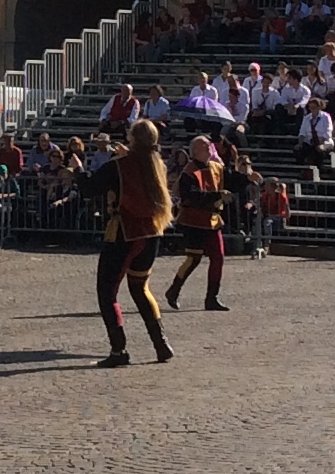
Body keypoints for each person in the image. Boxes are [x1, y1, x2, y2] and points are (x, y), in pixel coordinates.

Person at [89, 119, 175, 368]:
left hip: (124, 233)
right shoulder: (156, 164)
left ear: (133, 139)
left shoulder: (119, 166)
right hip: (151, 232)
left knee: (107, 292)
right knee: (140, 288)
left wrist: (77, 169)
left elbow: (90, 187)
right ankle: (161, 343)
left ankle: (119, 349)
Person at [163, 135, 230, 313]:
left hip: (212, 220)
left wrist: (246, 177)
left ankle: (212, 297)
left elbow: (229, 182)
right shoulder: (189, 172)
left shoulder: (217, 167)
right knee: (194, 259)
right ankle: (174, 290)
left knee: (218, 257)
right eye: (205, 146)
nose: (210, 148)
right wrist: (217, 196)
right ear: (196, 151)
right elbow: (192, 197)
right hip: (194, 221)